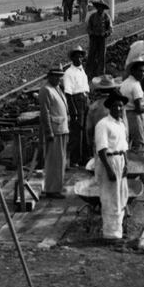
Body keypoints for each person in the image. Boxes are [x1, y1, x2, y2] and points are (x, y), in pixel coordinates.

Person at [94, 90, 130, 244]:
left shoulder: (121, 124)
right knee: (110, 199)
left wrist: (126, 163)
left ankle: (119, 231)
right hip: (109, 161)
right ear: (110, 108)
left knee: (121, 197)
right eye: (115, 106)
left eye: (121, 106)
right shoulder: (103, 124)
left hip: (120, 160)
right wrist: (108, 169)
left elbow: (124, 146)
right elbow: (101, 149)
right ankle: (110, 235)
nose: (119, 109)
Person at [39, 67, 69, 198]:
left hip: (62, 128)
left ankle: (58, 186)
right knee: (54, 161)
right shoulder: (46, 90)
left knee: (60, 160)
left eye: (60, 76)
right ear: (49, 76)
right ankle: (51, 189)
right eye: (56, 76)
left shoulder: (57, 88)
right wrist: (49, 131)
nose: (58, 79)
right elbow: (44, 113)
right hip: (55, 130)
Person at [62, 46, 90, 167]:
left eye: (80, 56)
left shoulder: (81, 70)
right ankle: (74, 159)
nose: (79, 58)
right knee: (77, 131)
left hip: (85, 100)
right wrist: (74, 112)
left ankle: (84, 158)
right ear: (72, 58)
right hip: (76, 101)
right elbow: (68, 94)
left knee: (85, 130)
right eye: (76, 56)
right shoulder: (69, 73)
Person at [86, 74, 121, 158]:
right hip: (116, 143)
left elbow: (89, 129)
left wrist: (90, 143)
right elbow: (125, 126)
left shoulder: (94, 107)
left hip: (99, 143)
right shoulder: (119, 105)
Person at [120, 56, 144, 155]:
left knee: (127, 142)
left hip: (124, 114)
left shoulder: (124, 83)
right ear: (133, 71)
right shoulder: (135, 85)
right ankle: (140, 166)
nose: (142, 74)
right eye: (140, 71)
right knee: (140, 144)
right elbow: (139, 108)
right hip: (134, 116)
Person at [85, 0, 112, 78]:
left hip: (102, 39)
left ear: (103, 8)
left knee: (102, 56)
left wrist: (105, 33)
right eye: (99, 7)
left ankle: (100, 73)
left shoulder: (107, 17)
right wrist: (92, 33)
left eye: (102, 7)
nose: (100, 9)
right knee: (91, 55)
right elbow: (88, 28)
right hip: (93, 38)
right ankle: (89, 72)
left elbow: (110, 29)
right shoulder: (92, 16)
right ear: (97, 8)